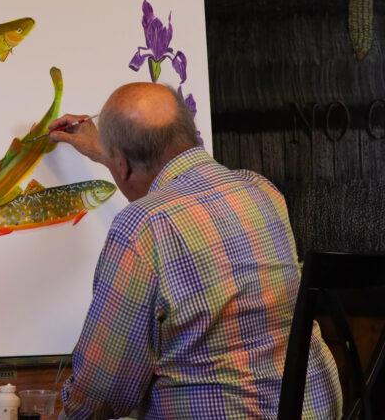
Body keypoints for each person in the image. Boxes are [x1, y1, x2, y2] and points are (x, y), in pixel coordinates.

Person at [50, 82, 342, 419]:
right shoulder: (262, 191)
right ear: (188, 130)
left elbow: (101, 394)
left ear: (124, 167)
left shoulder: (143, 225)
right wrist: (114, 155)